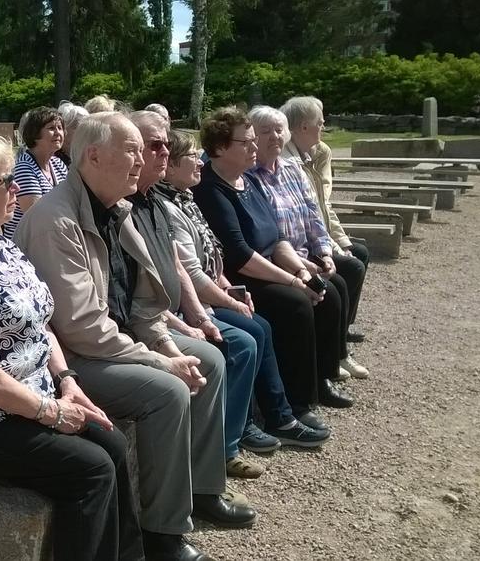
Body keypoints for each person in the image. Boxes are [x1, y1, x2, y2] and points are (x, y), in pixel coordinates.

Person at [16, 112, 250, 561]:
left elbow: (143, 303)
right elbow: (81, 328)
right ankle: (162, 533)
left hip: (113, 341)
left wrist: (165, 344)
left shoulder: (116, 208)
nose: (142, 161)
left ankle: (202, 489)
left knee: (211, 361)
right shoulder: (56, 220)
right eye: (132, 150)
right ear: (93, 156)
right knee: (168, 392)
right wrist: (161, 362)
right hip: (72, 359)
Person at [0, 126, 143, 561]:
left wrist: (67, 381)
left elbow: (39, 325)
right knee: (90, 471)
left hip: (26, 395)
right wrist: (51, 412)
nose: (16, 188)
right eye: (4, 181)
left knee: (111, 443)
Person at [159, 128, 331, 451]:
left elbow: (213, 258)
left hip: (219, 285)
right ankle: (245, 430)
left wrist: (231, 288)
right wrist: (230, 299)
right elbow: (197, 271)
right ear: (169, 169)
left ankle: (285, 409)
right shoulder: (187, 199)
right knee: (252, 332)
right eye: (192, 157)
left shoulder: (187, 198)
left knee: (267, 321)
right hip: (192, 302)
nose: (199, 162)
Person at [193, 106, 355, 418]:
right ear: (220, 148)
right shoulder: (210, 189)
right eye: (246, 142)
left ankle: (320, 378)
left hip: (268, 263)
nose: (254, 147)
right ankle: (297, 401)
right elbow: (240, 255)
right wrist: (293, 281)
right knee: (296, 303)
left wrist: (301, 269)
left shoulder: (247, 181)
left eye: (254, 140)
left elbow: (277, 237)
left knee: (327, 289)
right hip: (241, 276)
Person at [127, 110, 263, 478]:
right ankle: (217, 457)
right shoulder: (127, 207)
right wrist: (187, 324)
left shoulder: (157, 202)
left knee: (254, 331)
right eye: (155, 146)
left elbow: (179, 266)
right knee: (230, 348)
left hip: (176, 313)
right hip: (149, 324)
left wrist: (201, 316)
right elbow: (135, 300)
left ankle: (234, 439)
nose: (163, 153)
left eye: (167, 146)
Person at [245, 105, 369, 382]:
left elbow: (314, 216)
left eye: (279, 130)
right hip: (281, 258)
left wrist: (325, 253)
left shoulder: (293, 170)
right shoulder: (250, 177)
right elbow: (270, 235)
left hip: (307, 252)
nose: (274, 136)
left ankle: (338, 353)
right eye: (265, 131)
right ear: (253, 138)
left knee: (349, 269)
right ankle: (324, 369)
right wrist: (301, 265)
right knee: (332, 289)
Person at [281, 95, 370, 344]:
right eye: (320, 122)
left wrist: (341, 243)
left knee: (358, 254)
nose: (324, 126)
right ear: (303, 127)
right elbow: (300, 218)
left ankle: (342, 330)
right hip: (299, 246)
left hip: (314, 236)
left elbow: (321, 205)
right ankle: (336, 341)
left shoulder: (313, 153)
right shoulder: (289, 163)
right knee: (350, 268)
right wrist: (331, 249)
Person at [2, 107, 69, 240]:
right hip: (28, 241)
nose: (58, 133)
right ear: (35, 134)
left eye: (60, 128)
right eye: (51, 128)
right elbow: (36, 215)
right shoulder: (24, 167)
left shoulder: (58, 164)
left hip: (53, 235)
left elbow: (72, 200)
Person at [57, 101, 89, 167]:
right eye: (77, 127)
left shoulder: (89, 155)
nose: (85, 132)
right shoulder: (52, 160)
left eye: (87, 128)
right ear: (63, 129)